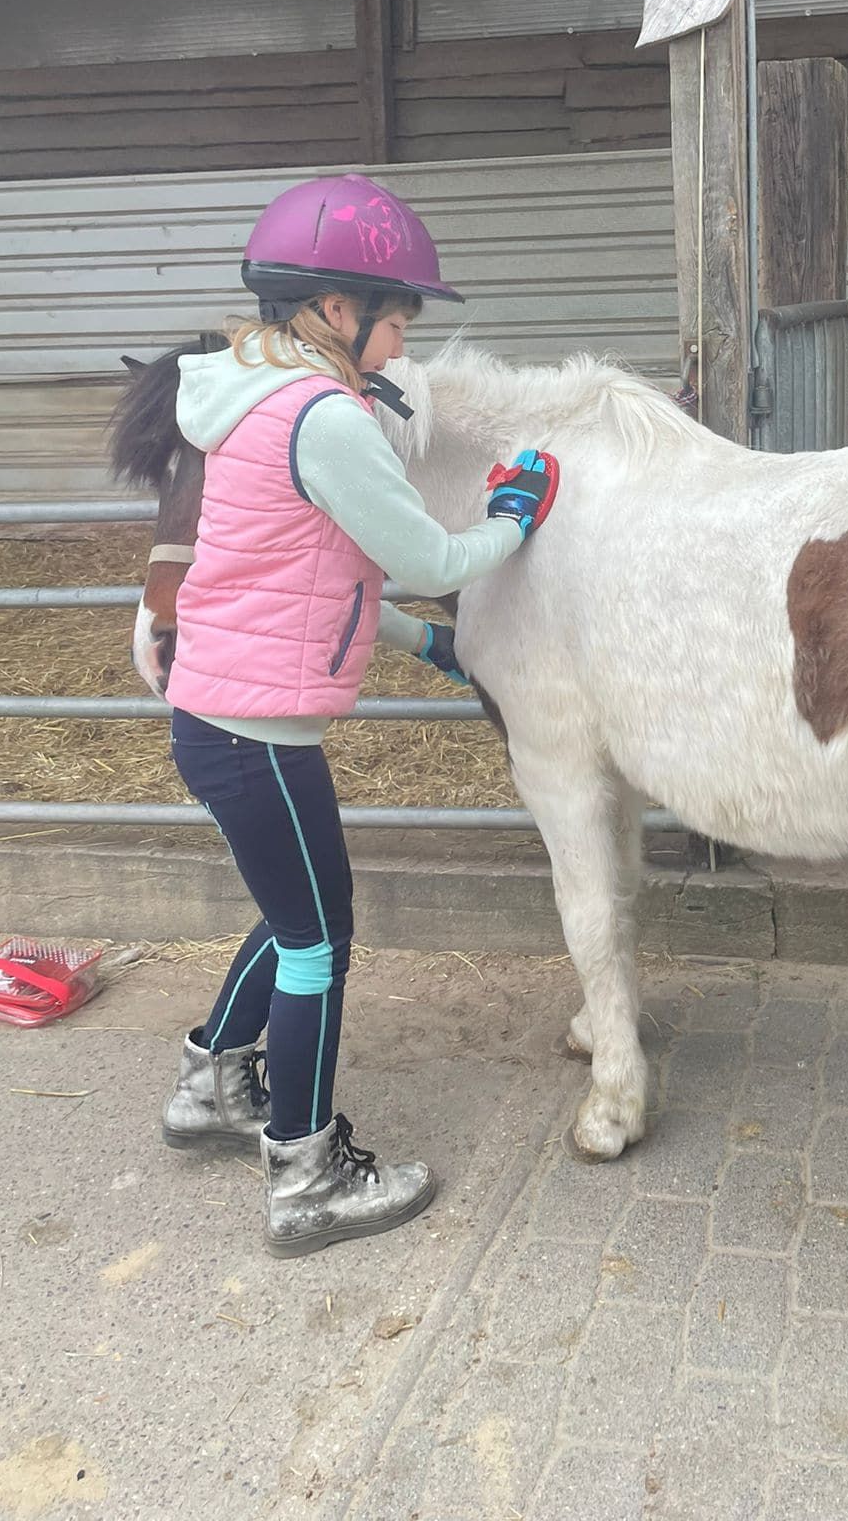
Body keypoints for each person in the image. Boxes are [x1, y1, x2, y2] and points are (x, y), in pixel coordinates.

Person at [157, 172, 557, 1257]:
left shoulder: (252, 397)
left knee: (294, 917)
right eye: (394, 320)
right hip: (257, 732)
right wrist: (511, 521)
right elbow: (424, 557)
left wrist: (431, 643)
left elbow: (296, 574)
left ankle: (210, 1085)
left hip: (220, 716)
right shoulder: (323, 414)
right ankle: (308, 1172)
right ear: (335, 307)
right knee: (320, 937)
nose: (398, 344)